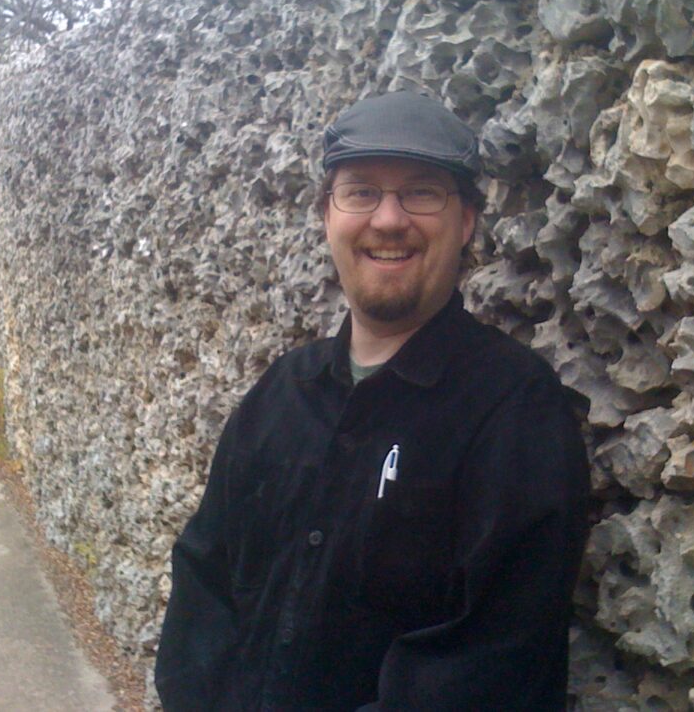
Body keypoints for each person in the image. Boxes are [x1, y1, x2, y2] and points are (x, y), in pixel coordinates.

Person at [155, 92, 591, 711]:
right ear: (327, 215)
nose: (388, 220)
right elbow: (203, 581)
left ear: (465, 220)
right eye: (360, 191)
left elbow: (493, 667)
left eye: (420, 192)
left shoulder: (513, 413)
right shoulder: (281, 395)